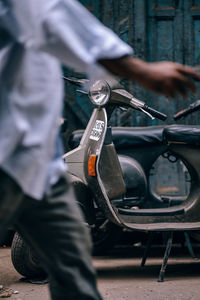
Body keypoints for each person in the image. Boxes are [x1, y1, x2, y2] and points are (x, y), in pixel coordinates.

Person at [0, 0, 200, 299]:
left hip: (34, 157)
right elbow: (56, 15)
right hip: (18, 152)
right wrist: (141, 70)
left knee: (73, 266)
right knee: (73, 268)